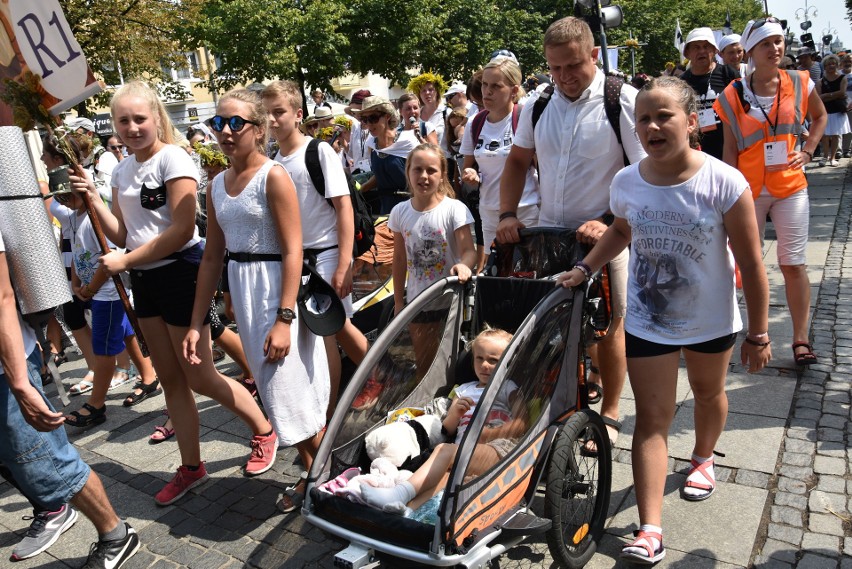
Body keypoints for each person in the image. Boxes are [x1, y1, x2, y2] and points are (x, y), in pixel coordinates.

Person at [557, 76, 771, 564]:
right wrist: (585, 268)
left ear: (692, 122)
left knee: (707, 395)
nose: (652, 126)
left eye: (663, 116)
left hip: (711, 322)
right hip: (648, 322)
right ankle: (649, 528)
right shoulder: (627, 181)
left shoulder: (723, 181)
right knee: (651, 418)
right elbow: (622, 229)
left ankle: (702, 458)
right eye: (644, 120)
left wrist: (758, 333)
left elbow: (753, 263)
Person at [69, 80, 276, 507]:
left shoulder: (174, 158)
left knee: (199, 374)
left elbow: (184, 229)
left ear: (156, 117)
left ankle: (263, 429)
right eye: (122, 120)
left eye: (139, 118)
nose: (131, 127)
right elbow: (123, 233)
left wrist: (124, 261)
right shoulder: (122, 170)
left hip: (181, 273)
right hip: (145, 280)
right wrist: (93, 198)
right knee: (170, 381)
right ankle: (191, 466)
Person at [497, 16, 646, 452]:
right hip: (550, 235)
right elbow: (517, 162)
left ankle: (612, 411)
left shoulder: (623, 100)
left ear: (594, 55)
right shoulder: (539, 104)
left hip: (608, 234)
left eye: (573, 66)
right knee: (558, 326)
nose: (564, 76)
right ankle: (561, 404)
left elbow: (643, 173)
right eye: (555, 68)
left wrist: (608, 217)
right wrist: (508, 214)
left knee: (608, 326)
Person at [185, 87, 331, 514]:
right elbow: (212, 255)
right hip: (245, 293)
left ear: (258, 127)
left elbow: (293, 250)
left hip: (274, 291)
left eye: (236, 123)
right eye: (219, 124)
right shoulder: (215, 184)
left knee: (289, 394)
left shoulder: (274, 176)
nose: (226, 132)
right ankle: (317, 476)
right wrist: (198, 321)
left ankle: (326, 479)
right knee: (278, 394)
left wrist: (285, 318)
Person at [0, 229, 140, 568]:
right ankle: (51, 508)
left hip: (7, 367)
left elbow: (2, 297)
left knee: (44, 454)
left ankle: (116, 535)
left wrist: (20, 382)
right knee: (13, 455)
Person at [715, 18, 827, 366]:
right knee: (747, 263)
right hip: (748, 189)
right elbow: (730, 149)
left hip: (790, 185)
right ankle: (748, 332)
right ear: (749, 51)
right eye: (767, 43)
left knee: (792, 264)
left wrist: (808, 150)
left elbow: (820, 118)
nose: (776, 49)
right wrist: (727, 193)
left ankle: (800, 339)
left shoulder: (800, 81)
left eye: (779, 42)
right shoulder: (732, 94)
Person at [261, 80, 369, 425]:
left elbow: (343, 207)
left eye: (279, 112)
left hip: (326, 254)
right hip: (299, 260)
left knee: (335, 331)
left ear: (297, 114)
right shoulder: (274, 160)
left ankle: (356, 392)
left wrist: (344, 262)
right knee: (326, 334)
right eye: (266, 114)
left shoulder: (317, 151)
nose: (272, 120)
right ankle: (345, 397)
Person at [360, 327, 525, 513]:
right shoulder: (464, 389)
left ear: (508, 362)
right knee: (443, 476)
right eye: (479, 358)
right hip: (463, 450)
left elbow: (522, 423)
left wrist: (490, 433)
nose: (484, 365)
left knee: (443, 452)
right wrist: (455, 413)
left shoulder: (507, 387)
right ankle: (407, 511)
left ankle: (399, 493)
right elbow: (447, 429)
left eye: (493, 361)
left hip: (497, 449)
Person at [59, 187, 160, 427]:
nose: (64, 201)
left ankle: (95, 404)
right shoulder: (74, 217)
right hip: (93, 289)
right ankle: (149, 376)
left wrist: (91, 288)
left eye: (67, 195)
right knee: (126, 334)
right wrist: (75, 282)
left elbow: (110, 260)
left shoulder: (96, 216)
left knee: (103, 350)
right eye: (60, 197)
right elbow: (76, 252)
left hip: (109, 293)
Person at [389, 143, 476, 377]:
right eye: (417, 169)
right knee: (424, 361)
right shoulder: (399, 212)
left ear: (442, 174)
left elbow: (469, 250)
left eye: (431, 170)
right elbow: (399, 259)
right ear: (408, 172)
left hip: (451, 300)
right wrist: (399, 302)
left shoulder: (454, 209)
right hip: (419, 301)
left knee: (452, 359)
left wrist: (464, 265)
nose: (424, 176)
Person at [461, 55, 539, 259]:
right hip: (489, 210)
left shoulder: (525, 118)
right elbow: (469, 167)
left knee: (529, 271)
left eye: (496, 86)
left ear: (514, 91)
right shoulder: (474, 123)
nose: (487, 91)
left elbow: (542, 167)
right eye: (485, 84)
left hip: (526, 209)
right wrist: (471, 175)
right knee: (495, 271)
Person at [680, 27, 740, 160]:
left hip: (727, 148)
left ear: (714, 50)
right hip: (696, 151)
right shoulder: (681, 82)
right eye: (696, 47)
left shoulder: (728, 74)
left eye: (706, 46)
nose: (702, 51)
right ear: (688, 53)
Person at [356, 96, 420, 214]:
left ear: (387, 116)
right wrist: (360, 190)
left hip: (412, 207)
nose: (369, 124)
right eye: (365, 119)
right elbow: (380, 175)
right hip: (386, 208)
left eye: (373, 118)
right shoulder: (371, 144)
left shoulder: (408, 141)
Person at [816, 54, 849, 167]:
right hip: (825, 111)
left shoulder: (842, 78)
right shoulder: (821, 81)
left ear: (837, 65)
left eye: (833, 63)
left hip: (838, 110)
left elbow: (842, 93)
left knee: (835, 135)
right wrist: (834, 95)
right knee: (824, 136)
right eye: (828, 64)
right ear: (824, 66)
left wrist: (827, 95)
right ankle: (825, 156)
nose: (831, 66)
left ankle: (833, 157)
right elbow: (819, 96)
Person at [407, 72, 448, 147]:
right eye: (423, 90)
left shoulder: (446, 112)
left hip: (444, 157)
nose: (427, 93)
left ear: (437, 92)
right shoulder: (415, 114)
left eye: (430, 89)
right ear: (419, 94)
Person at [344, 89, 373, 175]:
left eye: (358, 112)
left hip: (374, 175)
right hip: (359, 175)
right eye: (353, 113)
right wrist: (342, 140)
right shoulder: (356, 126)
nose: (356, 115)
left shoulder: (375, 127)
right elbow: (353, 154)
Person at [841, 54, 852, 158]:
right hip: (839, 105)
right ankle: (838, 150)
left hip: (851, 106)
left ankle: (846, 150)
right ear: (842, 63)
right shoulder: (838, 74)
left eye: (850, 61)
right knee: (839, 129)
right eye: (846, 61)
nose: (848, 63)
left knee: (849, 129)